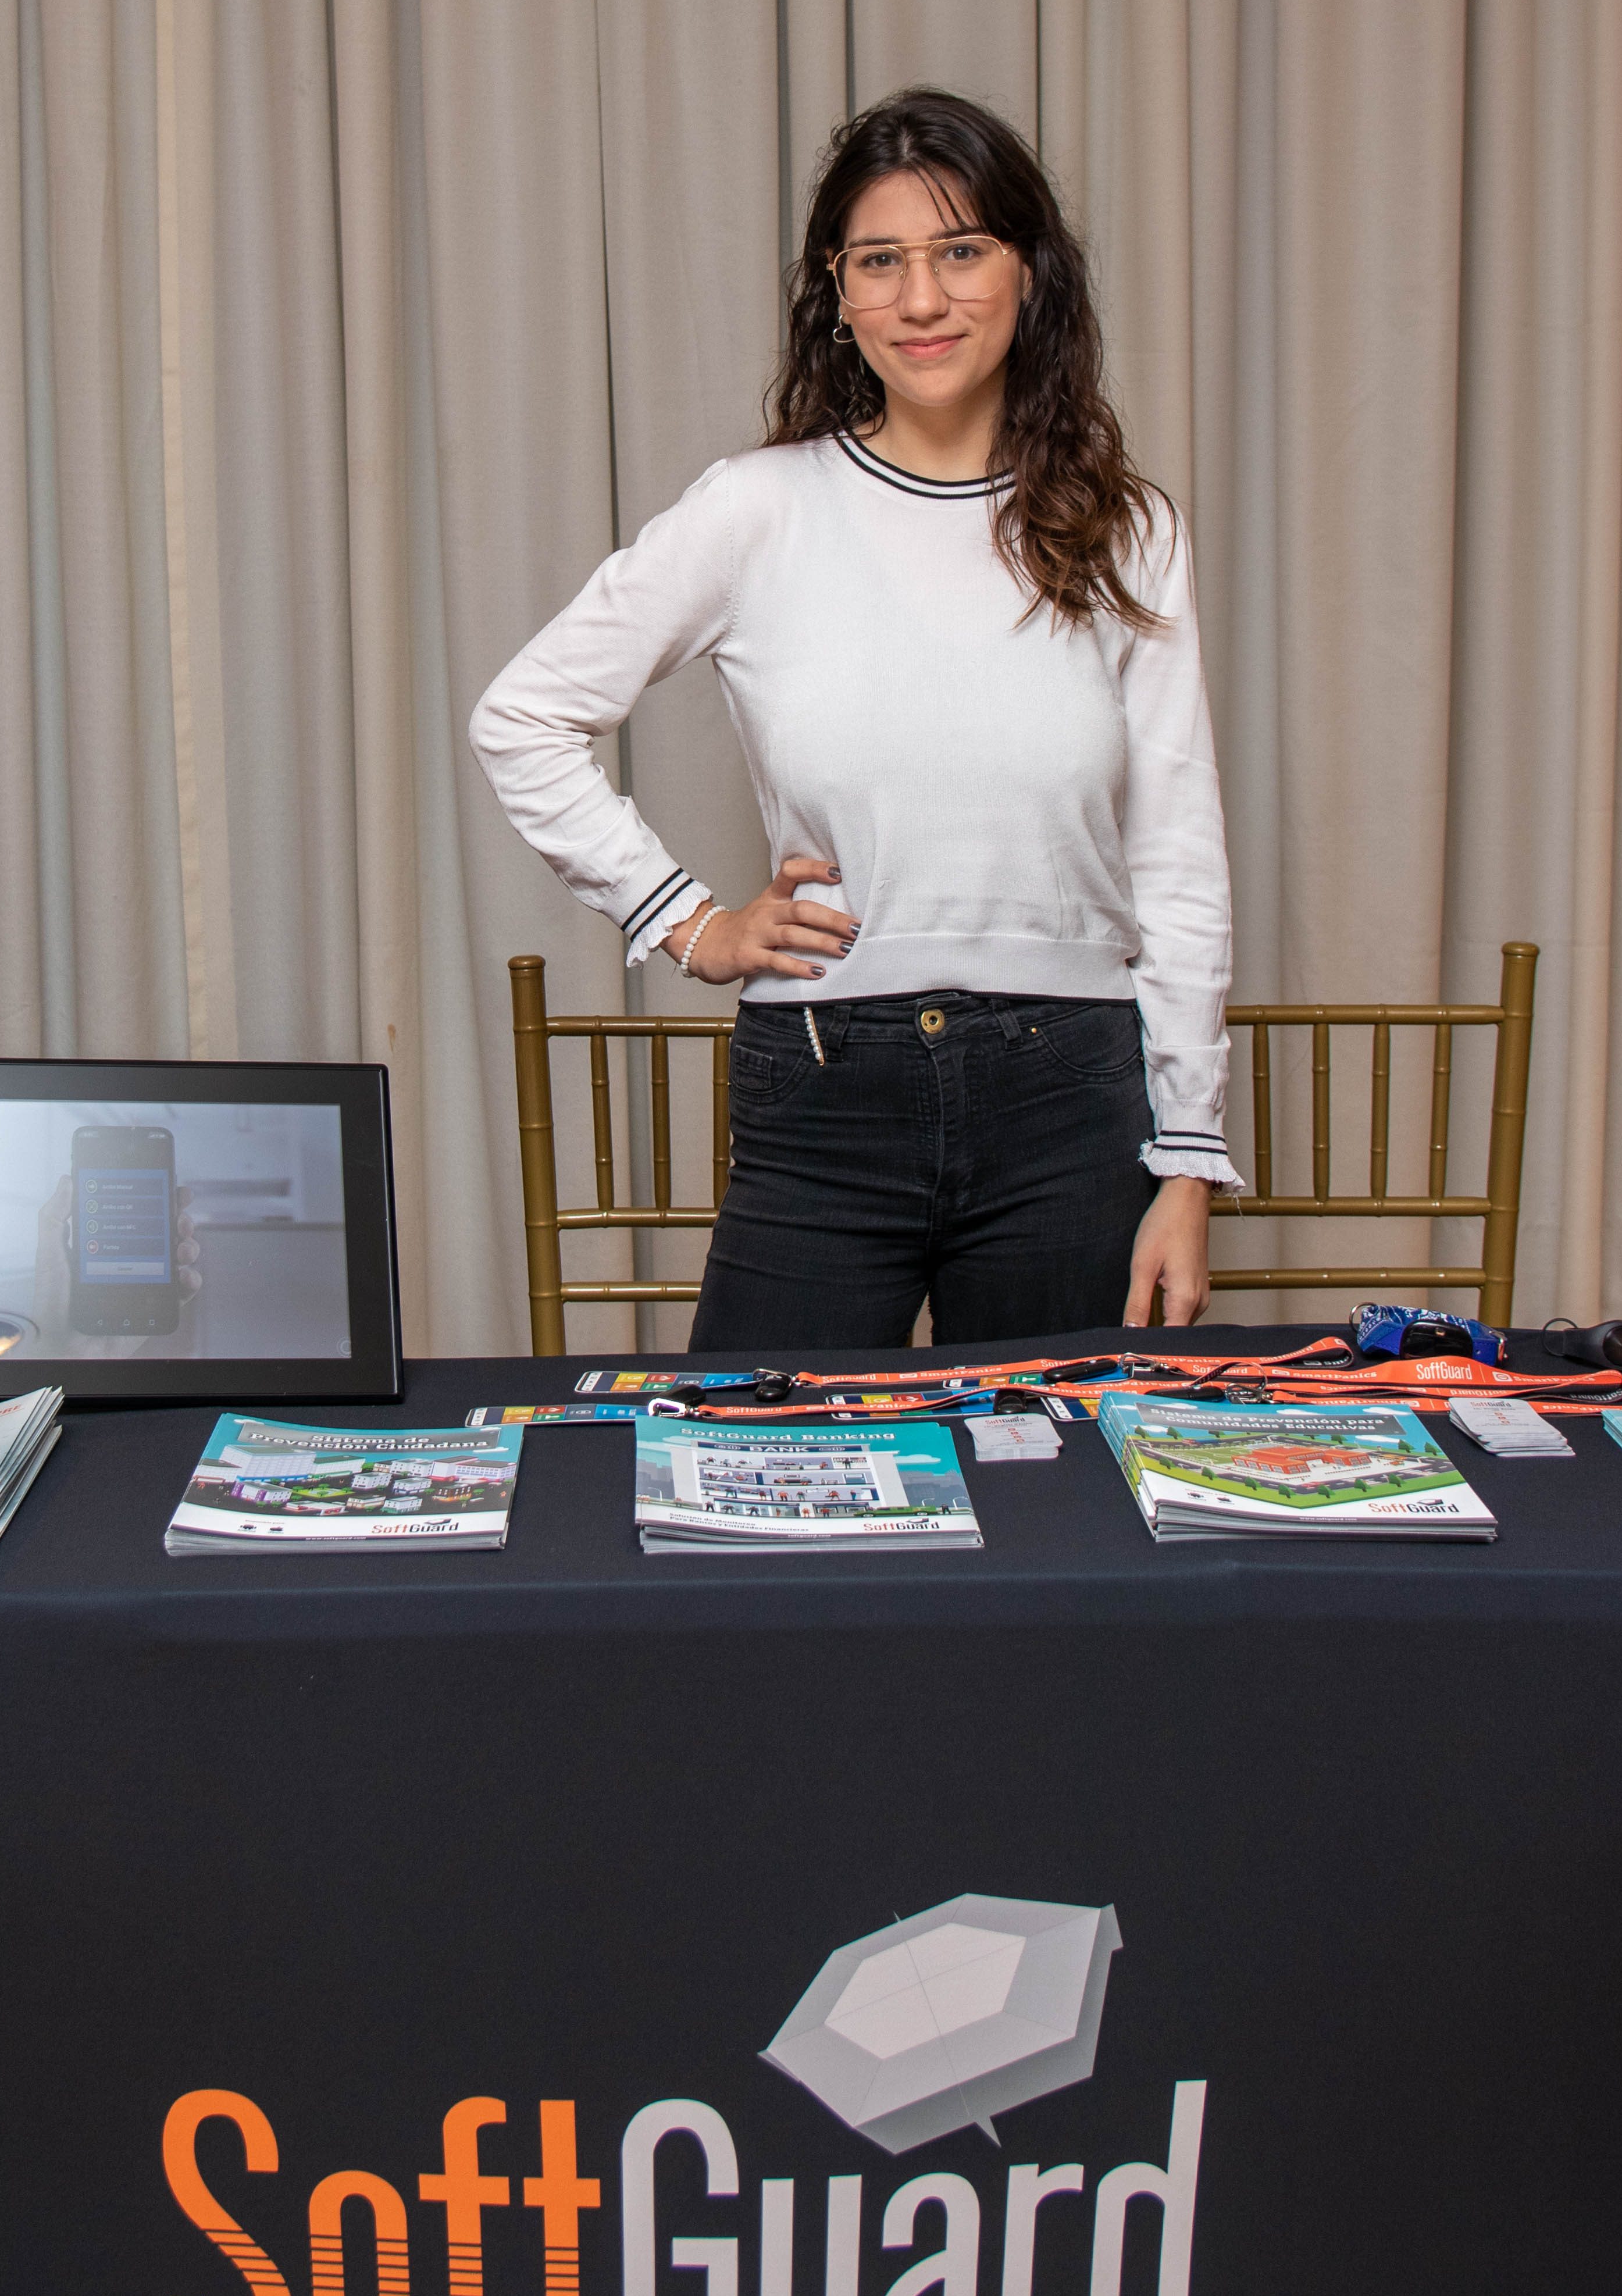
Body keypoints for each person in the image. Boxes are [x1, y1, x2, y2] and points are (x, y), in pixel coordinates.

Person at [470, 87, 1239, 1349]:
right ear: (837, 289)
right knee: (750, 1458)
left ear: (1030, 271)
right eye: (879, 261)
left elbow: (1177, 850)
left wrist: (1188, 1163)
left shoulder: (1127, 530)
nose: (921, 299)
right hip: (824, 1083)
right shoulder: (757, 510)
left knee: (1060, 1471)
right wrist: (689, 923)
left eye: (960, 251)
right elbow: (524, 716)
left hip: (1073, 1099)